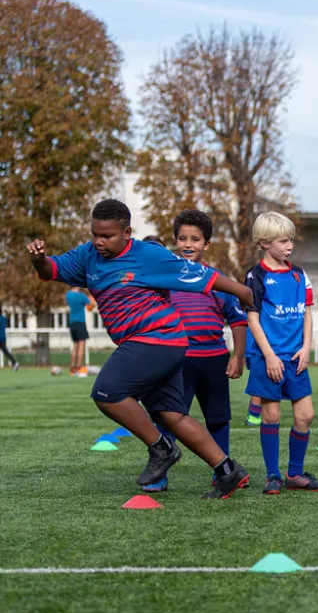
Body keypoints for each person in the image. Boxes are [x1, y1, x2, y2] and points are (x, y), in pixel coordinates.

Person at [27, 199, 250, 499]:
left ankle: (162, 449)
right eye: (95, 233)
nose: (99, 241)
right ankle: (227, 470)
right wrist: (38, 259)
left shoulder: (149, 255)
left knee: (106, 392)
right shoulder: (88, 256)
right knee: (171, 415)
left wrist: (244, 292)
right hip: (151, 344)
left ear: (127, 232)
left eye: (107, 236)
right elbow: (50, 270)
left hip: (158, 338)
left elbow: (202, 276)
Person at [141, 210, 248, 493]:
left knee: (218, 417)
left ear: (207, 245)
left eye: (195, 239)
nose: (188, 244)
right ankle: (160, 474)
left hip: (214, 360)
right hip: (176, 360)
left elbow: (237, 319)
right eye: (182, 238)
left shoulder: (216, 280)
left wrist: (237, 356)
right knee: (168, 416)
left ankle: (223, 472)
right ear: (175, 241)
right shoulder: (164, 280)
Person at [244, 211, 318, 496]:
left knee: (305, 416)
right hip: (269, 358)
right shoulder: (255, 276)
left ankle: (294, 472)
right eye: (283, 241)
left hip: (295, 357)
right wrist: (268, 355)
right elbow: (252, 319)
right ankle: (272, 476)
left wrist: (306, 347)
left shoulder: (298, 274)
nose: (289, 246)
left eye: (290, 240)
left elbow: (306, 314)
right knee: (271, 416)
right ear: (264, 243)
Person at [65, 286, 92, 377]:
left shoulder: (68, 295)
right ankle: (79, 368)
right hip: (80, 322)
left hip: (72, 323)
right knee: (81, 345)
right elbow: (90, 305)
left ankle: (72, 369)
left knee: (75, 345)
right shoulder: (81, 296)